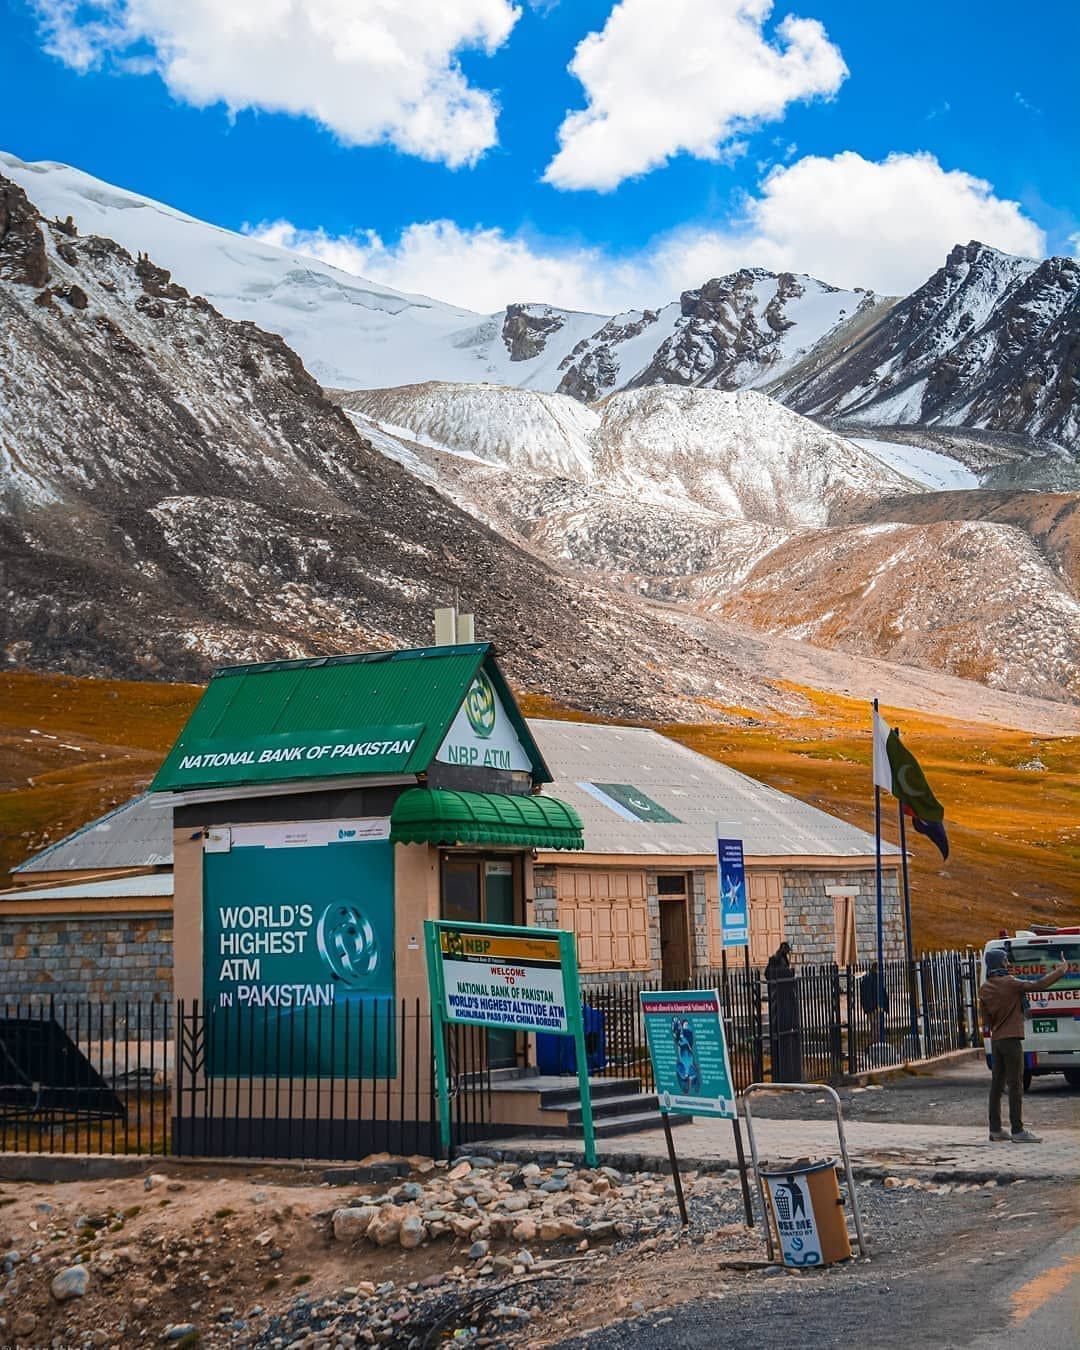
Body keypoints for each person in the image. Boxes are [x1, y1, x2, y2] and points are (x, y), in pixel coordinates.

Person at [978, 947, 1068, 1142]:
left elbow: (986, 1020)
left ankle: (995, 1129)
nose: (1008, 964)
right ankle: (1018, 1130)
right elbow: (1040, 984)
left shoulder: (985, 988)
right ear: (1000, 963)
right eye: (1006, 960)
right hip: (1012, 1039)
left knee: (997, 1085)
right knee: (1015, 1084)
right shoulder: (1011, 983)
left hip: (996, 1040)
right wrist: (1060, 971)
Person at [765, 942, 802, 1082]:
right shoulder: (775, 959)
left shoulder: (783, 958)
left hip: (785, 995)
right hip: (779, 996)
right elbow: (768, 974)